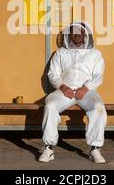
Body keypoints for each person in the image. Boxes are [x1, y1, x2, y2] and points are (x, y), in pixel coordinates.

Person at [38, 21, 107, 164]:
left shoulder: (95, 54)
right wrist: (62, 87)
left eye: (79, 32)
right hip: (65, 92)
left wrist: (86, 88)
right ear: (69, 35)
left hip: (87, 92)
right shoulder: (61, 53)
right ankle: (48, 148)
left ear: (85, 34)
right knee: (50, 105)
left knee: (99, 107)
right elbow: (53, 74)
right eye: (73, 32)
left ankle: (95, 149)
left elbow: (98, 75)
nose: (76, 35)